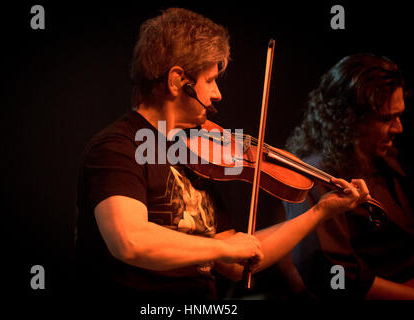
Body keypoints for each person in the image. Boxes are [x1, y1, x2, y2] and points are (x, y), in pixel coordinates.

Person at [75, 8, 370, 300]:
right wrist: (224, 248)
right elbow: (130, 240)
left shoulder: (192, 153)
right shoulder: (117, 147)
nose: (218, 94)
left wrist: (320, 211)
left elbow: (238, 259)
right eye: (210, 80)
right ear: (178, 80)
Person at [284, 53, 414, 300]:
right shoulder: (316, 176)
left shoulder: (387, 156)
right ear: (349, 118)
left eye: (399, 115)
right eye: (387, 119)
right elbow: (335, 277)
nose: (399, 128)